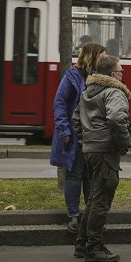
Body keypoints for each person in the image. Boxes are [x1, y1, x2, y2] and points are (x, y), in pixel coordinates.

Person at [72, 55, 131, 262]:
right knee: (102, 199)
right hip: (106, 149)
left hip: (90, 149)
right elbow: (116, 119)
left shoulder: (88, 91)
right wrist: (124, 142)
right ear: (113, 74)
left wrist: (86, 140)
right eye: (121, 70)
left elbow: (76, 119)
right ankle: (94, 247)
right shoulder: (114, 91)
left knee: (95, 197)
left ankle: (81, 243)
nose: (123, 74)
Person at [50, 42, 106, 235]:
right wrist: (64, 131)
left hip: (93, 135)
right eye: (101, 56)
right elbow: (59, 104)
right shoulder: (72, 77)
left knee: (90, 176)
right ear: (91, 57)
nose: (104, 60)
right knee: (74, 175)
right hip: (74, 136)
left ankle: (90, 215)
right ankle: (73, 215)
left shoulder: (99, 77)